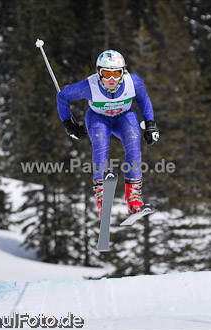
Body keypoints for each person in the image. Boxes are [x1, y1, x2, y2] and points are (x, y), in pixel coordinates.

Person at [56, 50, 159, 217]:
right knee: (100, 146)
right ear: (99, 73)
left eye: (116, 73)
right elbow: (62, 96)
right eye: (106, 74)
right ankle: (102, 196)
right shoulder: (89, 85)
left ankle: (133, 199)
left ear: (123, 72)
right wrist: (69, 124)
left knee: (134, 144)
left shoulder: (133, 82)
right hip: (99, 119)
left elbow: (143, 99)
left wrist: (150, 124)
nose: (111, 79)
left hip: (124, 117)